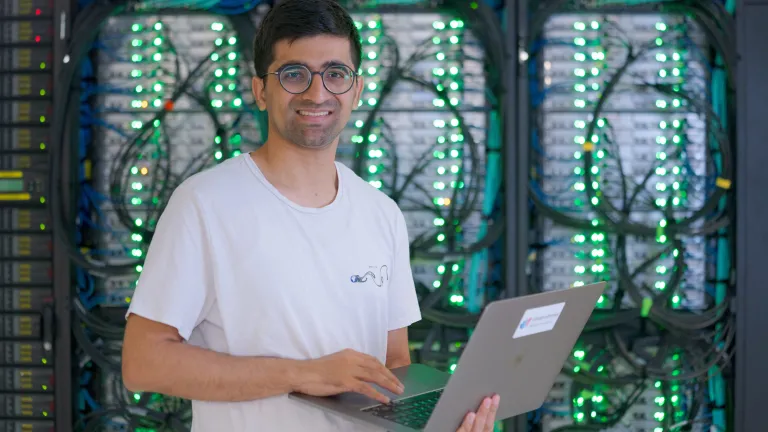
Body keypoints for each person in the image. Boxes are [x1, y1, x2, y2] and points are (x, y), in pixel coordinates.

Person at [121, 0, 500, 430]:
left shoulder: (382, 214)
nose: (317, 94)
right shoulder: (204, 204)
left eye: (335, 74)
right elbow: (143, 363)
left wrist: (441, 423)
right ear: (260, 90)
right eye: (294, 74)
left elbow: (394, 365)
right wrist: (302, 374)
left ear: (356, 90)